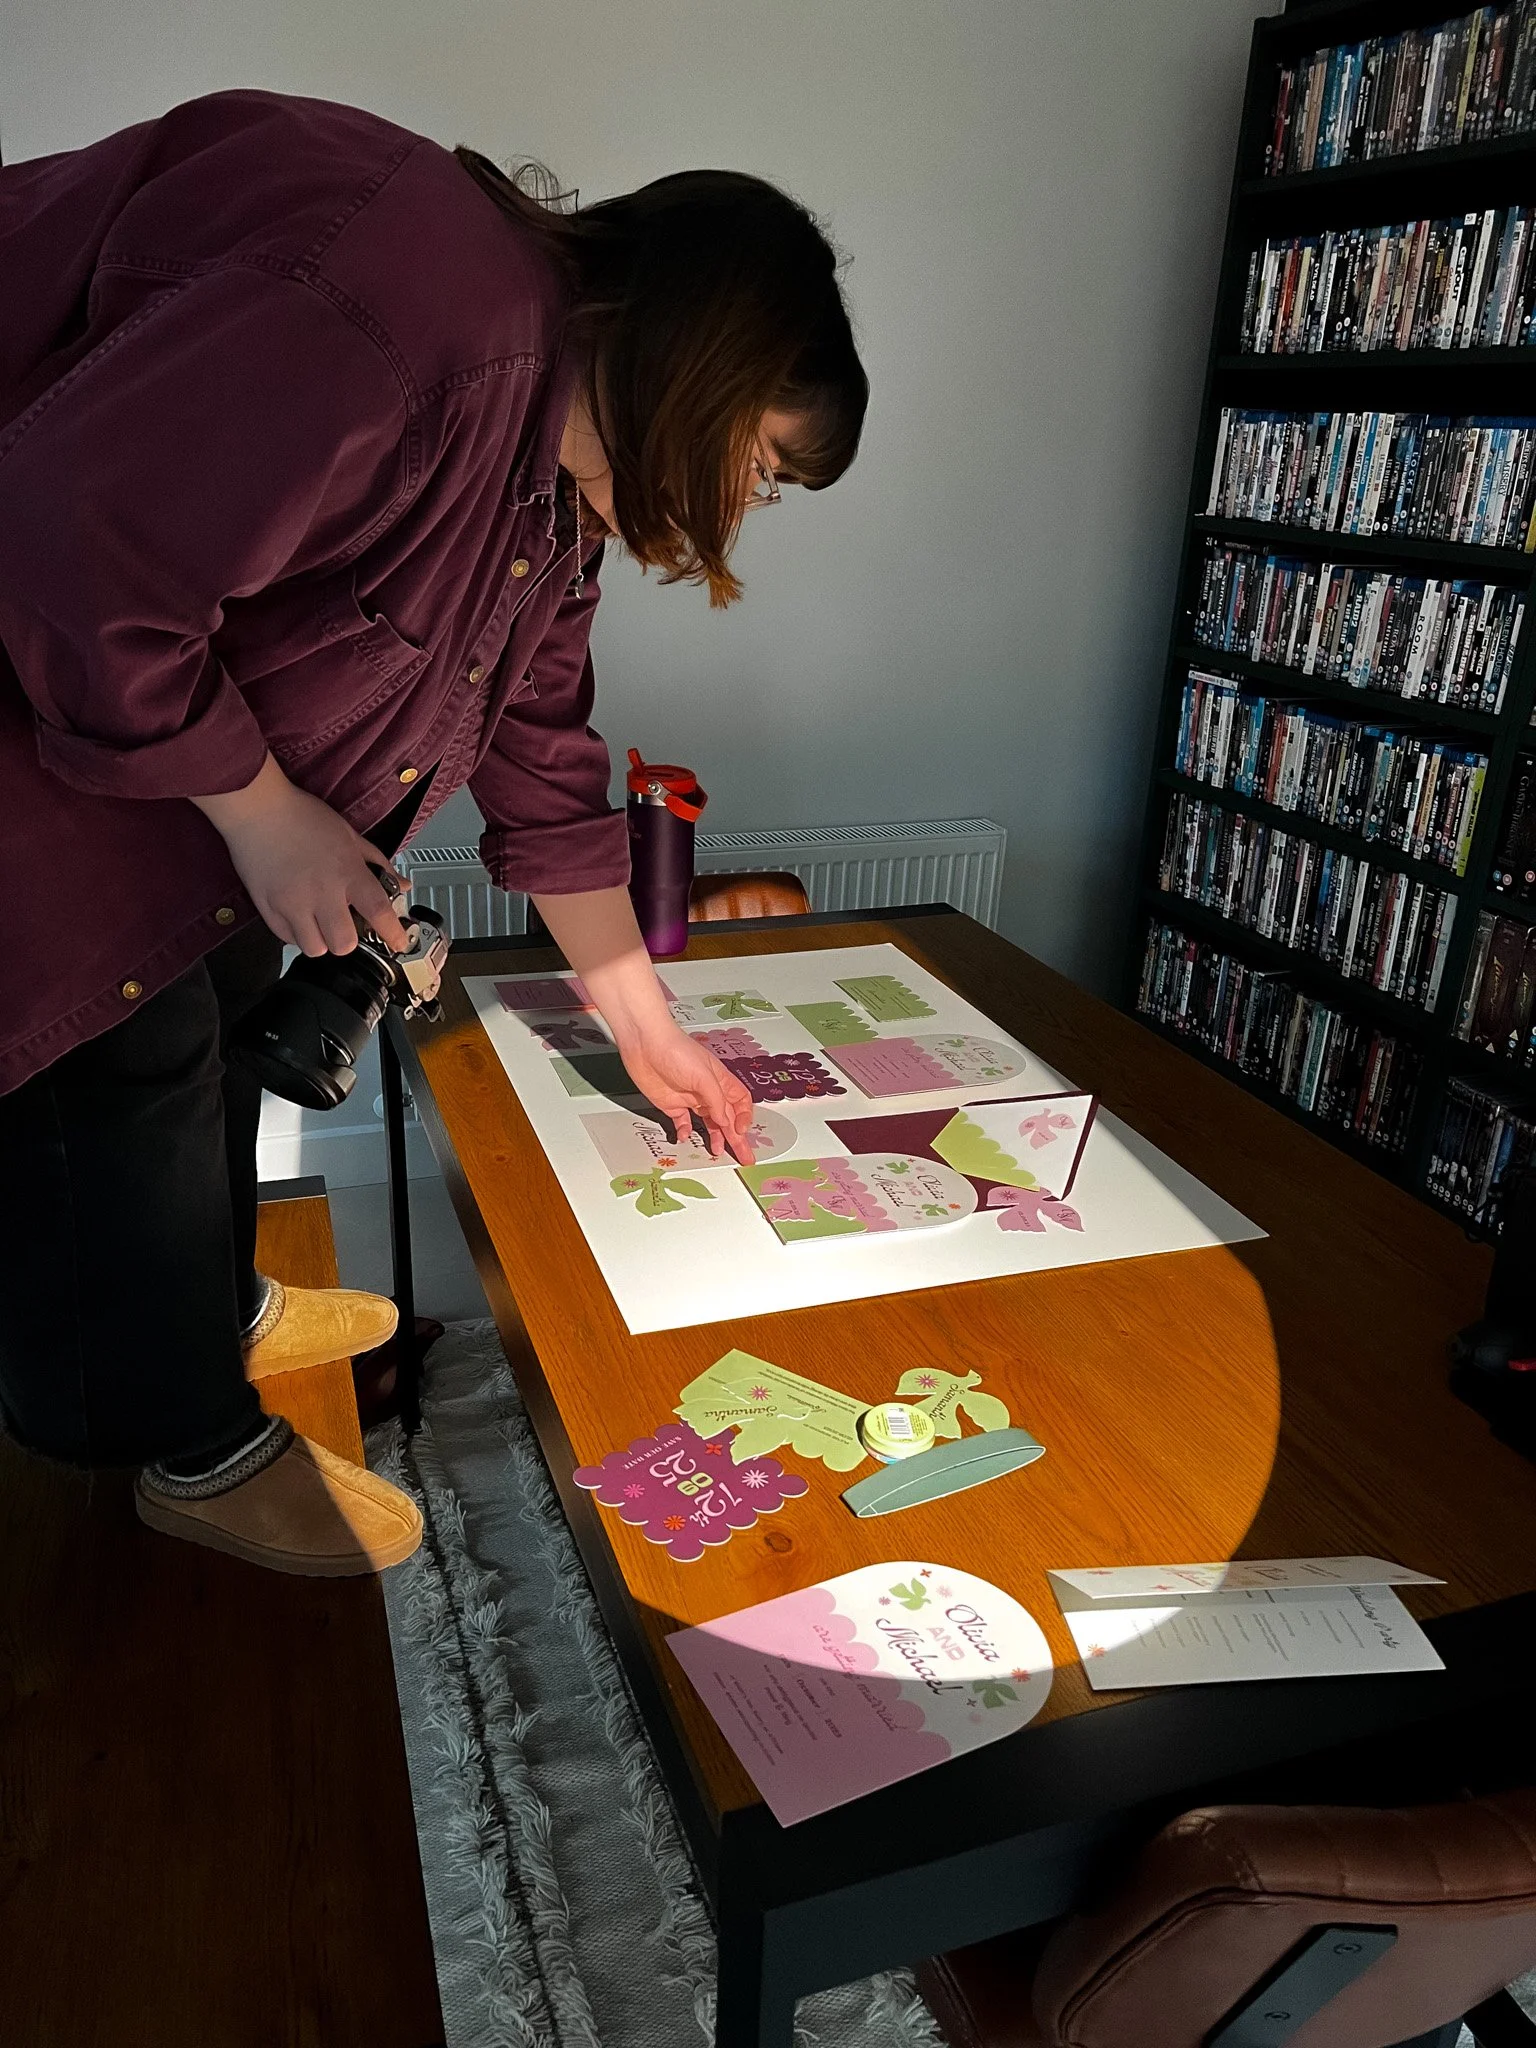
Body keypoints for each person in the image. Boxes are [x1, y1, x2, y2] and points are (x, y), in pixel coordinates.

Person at [0, 90, 867, 1576]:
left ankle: (211, 1309)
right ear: (693, 367)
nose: (740, 504)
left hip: (131, 743)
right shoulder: (418, 306)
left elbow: (539, 749)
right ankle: (178, 1447)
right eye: (759, 466)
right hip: (33, 700)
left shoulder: (559, 490)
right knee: (117, 1034)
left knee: (207, 990)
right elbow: (72, 546)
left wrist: (648, 1030)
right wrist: (268, 813)